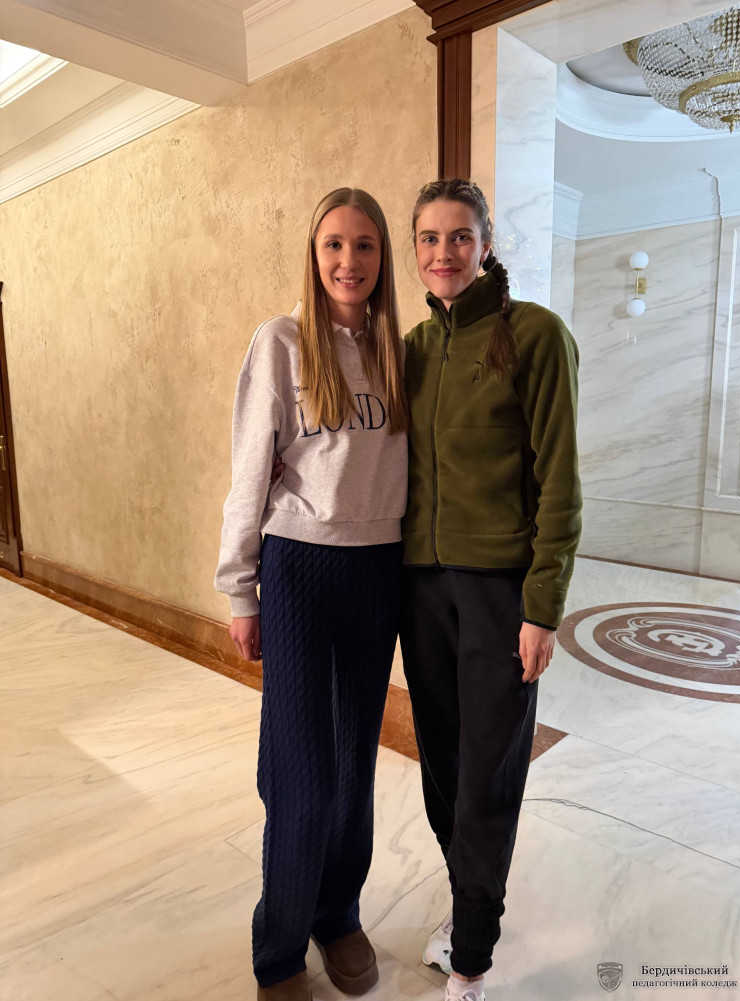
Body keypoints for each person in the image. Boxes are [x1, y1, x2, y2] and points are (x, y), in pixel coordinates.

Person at [214, 187, 409, 1001]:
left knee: (353, 761)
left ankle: (338, 912)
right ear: (314, 253)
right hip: (298, 568)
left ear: (382, 258)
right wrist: (241, 589)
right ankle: (282, 949)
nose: (348, 261)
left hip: (377, 571)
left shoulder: (399, 352)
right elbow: (248, 470)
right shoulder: (282, 341)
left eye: (365, 245)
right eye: (334, 244)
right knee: (300, 769)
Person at [399, 178, 582, 1001]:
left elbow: (560, 481)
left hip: (499, 596)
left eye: (460, 236)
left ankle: (470, 960)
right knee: (441, 767)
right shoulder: (411, 348)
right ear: (415, 249)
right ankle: (464, 904)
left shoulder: (535, 335)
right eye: (429, 238)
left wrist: (542, 606)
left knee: (487, 777)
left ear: (485, 242)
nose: (444, 252)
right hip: (419, 591)